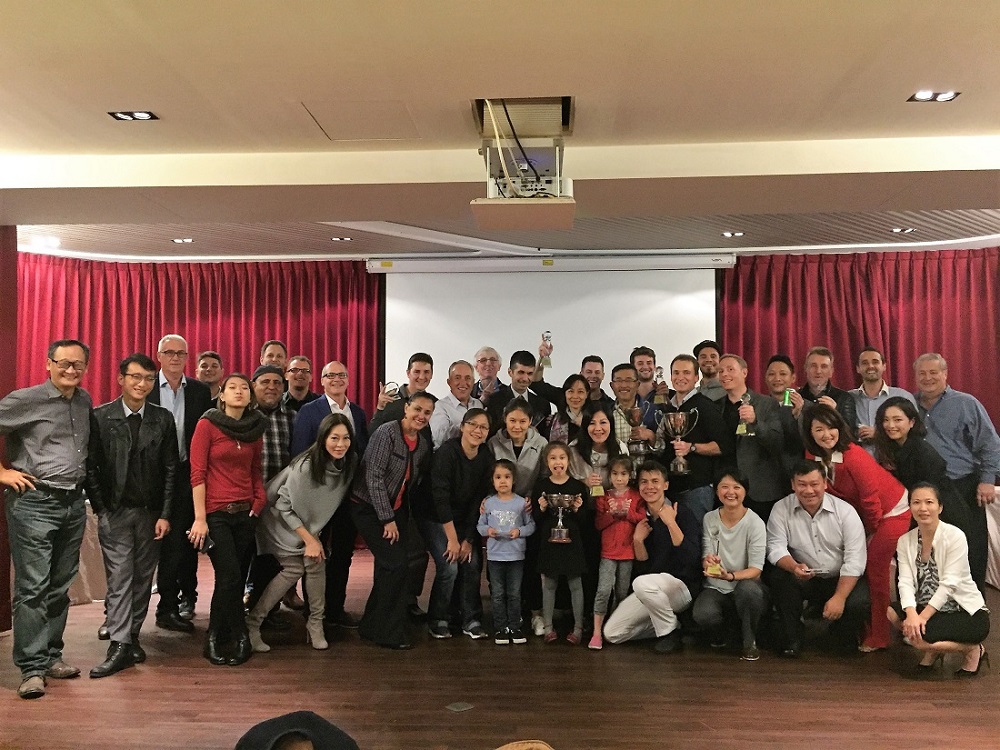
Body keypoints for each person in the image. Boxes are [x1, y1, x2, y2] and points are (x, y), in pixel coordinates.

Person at [1, 339, 92, 699]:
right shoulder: (26, 399)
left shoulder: (83, 400)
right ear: (48, 364)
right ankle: (31, 668)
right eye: (64, 363)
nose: (71, 370)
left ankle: (51, 655)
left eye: (78, 364)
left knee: (59, 586)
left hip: (73, 504)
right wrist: (3, 472)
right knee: (33, 588)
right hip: (34, 502)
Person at [85, 353, 178, 679]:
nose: (142, 384)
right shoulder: (101, 416)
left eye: (148, 379)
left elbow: (171, 470)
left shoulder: (162, 418)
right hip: (116, 511)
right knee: (120, 578)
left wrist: (165, 514)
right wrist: (101, 508)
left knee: (142, 579)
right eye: (135, 377)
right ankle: (119, 644)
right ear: (121, 379)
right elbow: (90, 467)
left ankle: (131, 637)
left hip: (151, 514)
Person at [246, 413, 358, 653]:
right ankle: (253, 623)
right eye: (334, 438)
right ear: (323, 438)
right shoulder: (306, 466)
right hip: (278, 521)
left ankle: (315, 623)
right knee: (296, 568)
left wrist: (312, 538)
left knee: (315, 563)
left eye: (346, 438)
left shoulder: (349, 463)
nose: (341, 444)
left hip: (306, 524)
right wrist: (310, 540)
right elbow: (283, 505)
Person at [803, 403, 909, 651]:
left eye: (831, 427)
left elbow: (871, 501)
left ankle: (880, 635)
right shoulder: (812, 456)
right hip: (863, 516)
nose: (826, 434)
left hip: (891, 511)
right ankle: (865, 625)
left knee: (875, 569)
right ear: (810, 433)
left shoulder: (854, 456)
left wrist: (868, 532)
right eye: (819, 429)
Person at [187, 373, 268, 666]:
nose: (238, 392)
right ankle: (235, 636)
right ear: (221, 395)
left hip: (246, 513)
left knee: (232, 579)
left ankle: (221, 636)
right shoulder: (207, 424)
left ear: (250, 396)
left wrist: (259, 500)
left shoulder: (255, 428)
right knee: (231, 576)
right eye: (232, 387)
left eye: (244, 388)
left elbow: (255, 470)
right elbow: (197, 473)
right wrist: (200, 518)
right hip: (216, 514)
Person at [350, 391, 435, 649]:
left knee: (392, 566)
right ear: (406, 408)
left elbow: (410, 483)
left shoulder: (422, 444)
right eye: (417, 409)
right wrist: (387, 518)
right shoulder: (386, 433)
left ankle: (371, 625)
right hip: (367, 507)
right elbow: (373, 477)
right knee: (396, 565)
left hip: (395, 509)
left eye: (427, 412)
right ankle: (388, 632)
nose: (421, 416)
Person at [290, 360, 369, 629]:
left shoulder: (357, 413)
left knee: (343, 554)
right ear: (321, 381)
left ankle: (335, 609)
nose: (336, 379)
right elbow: (299, 455)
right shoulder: (309, 411)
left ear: (348, 379)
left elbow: (361, 452)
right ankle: (314, 611)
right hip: (318, 496)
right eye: (330, 375)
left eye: (341, 375)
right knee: (315, 553)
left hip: (348, 496)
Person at [914, 352, 1000, 591]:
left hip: (962, 485)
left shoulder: (966, 403)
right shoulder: (909, 404)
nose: (928, 378)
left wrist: (987, 479)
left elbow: (990, 443)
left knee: (970, 547)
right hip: (923, 489)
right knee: (926, 549)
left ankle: (972, 603)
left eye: (933, 372)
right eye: (922, 373)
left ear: (945, 374)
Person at [766, 461, 869, 658]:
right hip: (804, 576)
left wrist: (839, 597)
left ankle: (840, 635)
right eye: (802, 484)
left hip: (839, 577)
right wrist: (794, 566)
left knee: (860, 601)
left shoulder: (845, 512)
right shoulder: (781, 508)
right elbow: (775, 547)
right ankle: (793, 638)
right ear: (793, 485)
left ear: (825, 483)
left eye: (814, 484)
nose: (809, 490)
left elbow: (855, 560)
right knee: (780, 578)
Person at [888, 483, 990, 676]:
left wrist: (921, 618)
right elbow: (905, 581)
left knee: (918, 639)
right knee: (892, 612)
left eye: (929, 502)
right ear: (910, 507)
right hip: (929, 610)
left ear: (940, 507)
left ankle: (972, 649)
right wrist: (911, 614)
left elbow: (949, 584)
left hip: (964, 612)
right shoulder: (905, 541)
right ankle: (934, 651)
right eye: (916, 502)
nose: (923, 508)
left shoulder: (955, 536)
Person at [149, 333, 214, 630]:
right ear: (159, 356)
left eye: (181, 353)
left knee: (183, 545)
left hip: (188, 476)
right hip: (152, 477)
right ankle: (121, 613)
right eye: (169, 352)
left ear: (188, 358)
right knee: (151, 547)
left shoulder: (199, 391)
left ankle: (177, 602)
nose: (175, 358)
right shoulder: (146, 385)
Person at [603, 461, 701, 653]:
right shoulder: (641, 518)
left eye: (655, 481)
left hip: (682, 588)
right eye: (644, 482)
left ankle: (669, 633)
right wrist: (638, 541)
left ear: (666, 485)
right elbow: (644, 568)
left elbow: (691, 559)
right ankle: (675, 626)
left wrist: (671, 523)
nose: (649, 487)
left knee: (641, 584)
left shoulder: (681, 512)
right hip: (652, 590)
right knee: (612, 633)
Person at [367, 352, 436, 619]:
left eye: (426, 372)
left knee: (416, 553)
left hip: (412, 493)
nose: (421, 376)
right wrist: (379, 410)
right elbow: (373, 441)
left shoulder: (430, 405)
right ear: (408, 373)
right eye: (417, 371)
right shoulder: (393, 403)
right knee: (391, 557)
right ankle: (386, 607)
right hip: (385, 496)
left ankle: (407, 600)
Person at [418, 408, 494, 640]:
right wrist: (452, 539)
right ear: (462, 427)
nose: (478, 431)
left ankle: (471, 619)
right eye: (473, 425)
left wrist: (468, 539)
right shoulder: (447, 453)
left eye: (483, 427)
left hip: (465, 519)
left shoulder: (485, 456)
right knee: (449, 565)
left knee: (471, 563)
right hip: (435, 517)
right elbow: (440, 499)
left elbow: (478, 501)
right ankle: (438, 619)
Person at [691, 471, 767, 661]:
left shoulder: (755, 523)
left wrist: (730, 576)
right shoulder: (709, 518)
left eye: (736, 487)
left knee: (749, 590)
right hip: (715, 587)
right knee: (703, 614)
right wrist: (708, 562)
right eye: (724, 487)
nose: (730, 492)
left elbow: (756, 570)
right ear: (717, 491)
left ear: (745, 491)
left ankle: (750, 642)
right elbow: (706, 553)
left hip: (745, 584)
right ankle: (723, 635)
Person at [872, 396, 973, 534]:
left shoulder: (922, 451)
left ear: (912, 422)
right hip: (915, 512)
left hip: (942, 516)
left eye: (897, 420)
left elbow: (932, 493)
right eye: (885, 420)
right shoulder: (890, 448)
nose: (891, 425)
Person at [653, 353, 733, 525]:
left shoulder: (706, 406)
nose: (680, 377)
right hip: (671, 488)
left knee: (695, 536)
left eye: (686, 373)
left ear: (696, 377)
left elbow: (724, 446)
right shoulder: (669, 408)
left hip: (697, 489)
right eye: (676, 373)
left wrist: (692, 447)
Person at [716, 354, 787, 521]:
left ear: (744, 372)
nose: (724, 374)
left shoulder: (767, 403)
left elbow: (776, 442)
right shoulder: (716, 406)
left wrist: (755, 422)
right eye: (721, 371)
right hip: (726, 490)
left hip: (759, 489)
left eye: (730, 369)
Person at [531, 442, 589, 645]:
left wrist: (578, 509)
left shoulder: (578, 487)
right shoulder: (541, 486)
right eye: (553, 458)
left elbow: (584, 521)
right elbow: (536, 519)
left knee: (575, 584)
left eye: (562, 458)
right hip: (549, 541)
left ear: (568, 461)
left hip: (573, 542)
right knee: (549, 584)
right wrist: (541, 508)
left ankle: (578, 628)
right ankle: (548, 627)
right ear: (547, 462)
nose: (558, 462)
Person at [477, 459, 536, 644]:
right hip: (495, 556)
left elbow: (531, 526)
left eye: (507, 477)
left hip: (516, 556)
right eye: (498, 477)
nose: (503, 481)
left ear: (514, 480)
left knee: (514, 593)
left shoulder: (521, 503)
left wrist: (519, 531)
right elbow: (480, 525)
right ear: (493, 481)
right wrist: (488, 531)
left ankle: (515, 627)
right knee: (497, 594)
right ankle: (501, 628)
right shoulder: (489, 503)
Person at [589, 456, 644, 651]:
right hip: (608, 552)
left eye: (623, 474)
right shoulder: (603, 496)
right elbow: (598, 524)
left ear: (630, 475)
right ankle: (596, 632)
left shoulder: (636, 496)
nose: (619, 478)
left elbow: (642, 519)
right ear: (609, 475)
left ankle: (616, 627)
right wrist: (611, 514)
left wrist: (627, 513)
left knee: (622, 592)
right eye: (615, 474)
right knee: (603, 590)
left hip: (627, 551)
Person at [849, 347, 916, 453]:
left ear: (884, 366)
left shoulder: (903, 396)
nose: (870, 366)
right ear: (858, 368)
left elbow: (915, 433)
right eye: (865, 363)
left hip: (896, 460)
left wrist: (879, 434)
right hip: (858, 461)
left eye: (875, 362)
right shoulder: (848, 398)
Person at [484, 350, 551, 437]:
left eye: (530, 373)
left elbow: (545, 438)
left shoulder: (543, 404)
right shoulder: (495, 400)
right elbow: (490, 434)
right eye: (521, 372)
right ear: (510, 372)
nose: (525, 378)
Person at [253, 365, 297, 483]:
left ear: (283, 387)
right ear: (253, 386)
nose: (272, 387)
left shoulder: (293, 417)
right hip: (249, 488)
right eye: (265, 382)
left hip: (283, 489)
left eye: (277, 383)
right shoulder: (243, 415)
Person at [608, 363, 659, 465]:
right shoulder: (606, 413)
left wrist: (651, 437)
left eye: (629, 380)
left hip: (645, 473)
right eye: (618, 380)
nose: (623, 385)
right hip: (616, 473)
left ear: (637, 384)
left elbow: (663, 451)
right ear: (612, 385)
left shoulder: (652, 411)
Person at [764, 354, 805, 479]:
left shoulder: (808, 407)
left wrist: (798, 415)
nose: (777, 378)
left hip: (798, 474)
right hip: (766, 475)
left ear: (793, 378)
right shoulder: (758, 406)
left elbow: (807, 444)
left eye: (783, 374)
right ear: (765, 378)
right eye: (772, 374)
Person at [798, 346, 858, 430]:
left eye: (824, 366)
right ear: (806, 369)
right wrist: (795, 415)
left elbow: (850, 433)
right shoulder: (796, 396)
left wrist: (835, 413)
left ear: (831, 372)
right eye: (813, 366)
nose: (818, 371)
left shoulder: (844, 398)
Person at [429, 360, 484, 449]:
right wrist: (470, 426)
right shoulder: (439, 406)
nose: (463, 383)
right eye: (457, 378)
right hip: (449, 456)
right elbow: (440, 438)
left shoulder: (478, 404)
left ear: (473, 382)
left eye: (468, 378)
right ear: (449, 382)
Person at [539, 374, 589, 445]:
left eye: (580, 392)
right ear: (565, 393)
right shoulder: (552, 422)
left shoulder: (593, 419)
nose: (575, 396)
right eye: (571, 391)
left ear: (587, 394)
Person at [694, 339, 725, 404]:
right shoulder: (693, 394)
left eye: (713, 356)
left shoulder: (729, 392)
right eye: (703, 357)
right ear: (697, 362)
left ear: (720, 360)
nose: (708, 360)